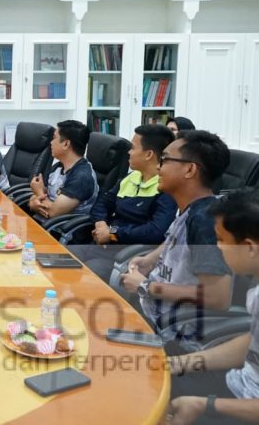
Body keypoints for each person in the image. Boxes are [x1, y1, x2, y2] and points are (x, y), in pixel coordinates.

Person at [120, 130, 233, 332]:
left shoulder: (205, 221)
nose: (157, 167)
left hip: (177, 335)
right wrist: (150, 259)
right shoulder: (190, 211)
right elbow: (175, 240)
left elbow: (218, 297)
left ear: (189, 170)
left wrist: (146, 286)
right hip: (153, 316)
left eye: (164, 160)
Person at [166, 188, 259, 425]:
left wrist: (204, 404)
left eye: (221, 240)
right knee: (150, 374)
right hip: (239, 384)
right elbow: (252, 343)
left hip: (247, 410)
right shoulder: (255, 288)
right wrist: (183, 363)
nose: (216, 249)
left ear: (248, 247)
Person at [68, 124, 177, 281]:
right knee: (58, 257)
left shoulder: (165, 187)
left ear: (148, 154)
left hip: (126, 256)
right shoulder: (130, 178)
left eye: (133, 148)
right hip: (101, 245)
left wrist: (112, 233)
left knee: (81, 276)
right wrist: (101, 225)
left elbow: (155, 232)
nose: (128, 152)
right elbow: (101, 204)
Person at [28, 120, 98, 219]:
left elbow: (53, 213)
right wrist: (33, 202)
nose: (51, 143)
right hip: (43, 223)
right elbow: (40, 194)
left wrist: (38, 193)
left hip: (62, 230)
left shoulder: (82, 176)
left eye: (54, 138)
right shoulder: (58, 167)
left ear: (66, 144)